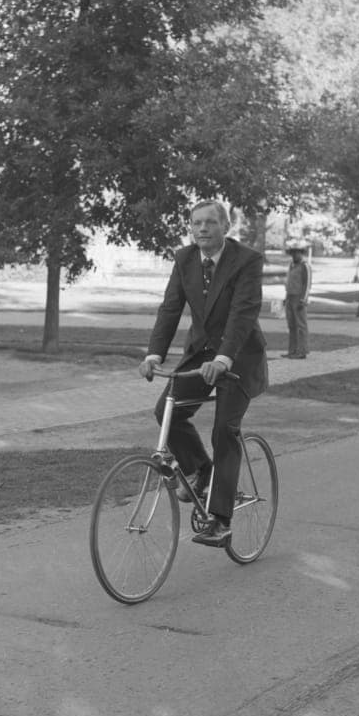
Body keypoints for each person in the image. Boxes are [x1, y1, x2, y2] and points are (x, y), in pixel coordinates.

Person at [138, 200, 269, 546]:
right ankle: (202, 471)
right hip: (200, 355)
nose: (202, 229)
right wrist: (154, 354)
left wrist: (225, 358)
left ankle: (220, 520)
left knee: (224, 430)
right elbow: (170, 309)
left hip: (238, 357)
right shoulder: (184, 259)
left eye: (210, 222)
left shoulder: (247, 261)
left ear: (225, 226)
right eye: (196, 223)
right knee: (166, 412)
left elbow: (243, 314)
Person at [283, 240, 312, 359]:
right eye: (293, 253)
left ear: (301, 253)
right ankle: (292, 350)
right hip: (290, 297)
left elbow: (307, 284)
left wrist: (303, 300)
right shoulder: (291, 265)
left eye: (297, 253)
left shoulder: (305, 266)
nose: (295, 255)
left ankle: (302, 351)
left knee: (301, 326)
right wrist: (286, 298)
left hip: (299, 298)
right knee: (292, 325)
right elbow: (289, 282)